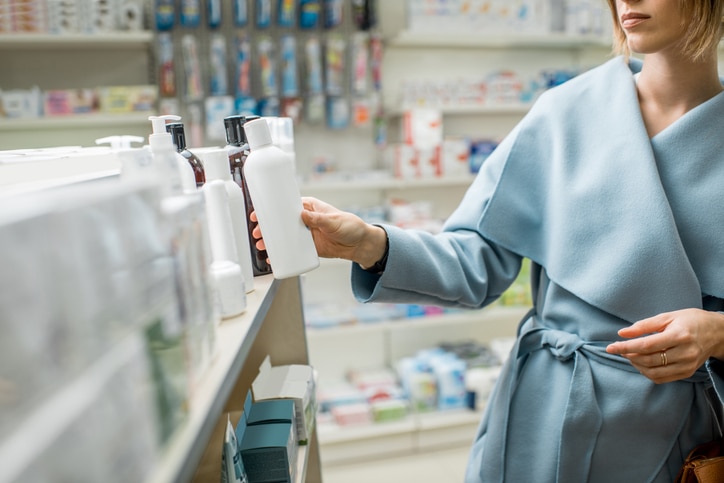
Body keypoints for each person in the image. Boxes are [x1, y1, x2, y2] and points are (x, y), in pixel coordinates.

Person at [253, 0, 724, 480]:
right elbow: (476, 261)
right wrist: (369, 245)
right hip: (545, 412)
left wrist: (718, 334)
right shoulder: (566, 112)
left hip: (674, 434)